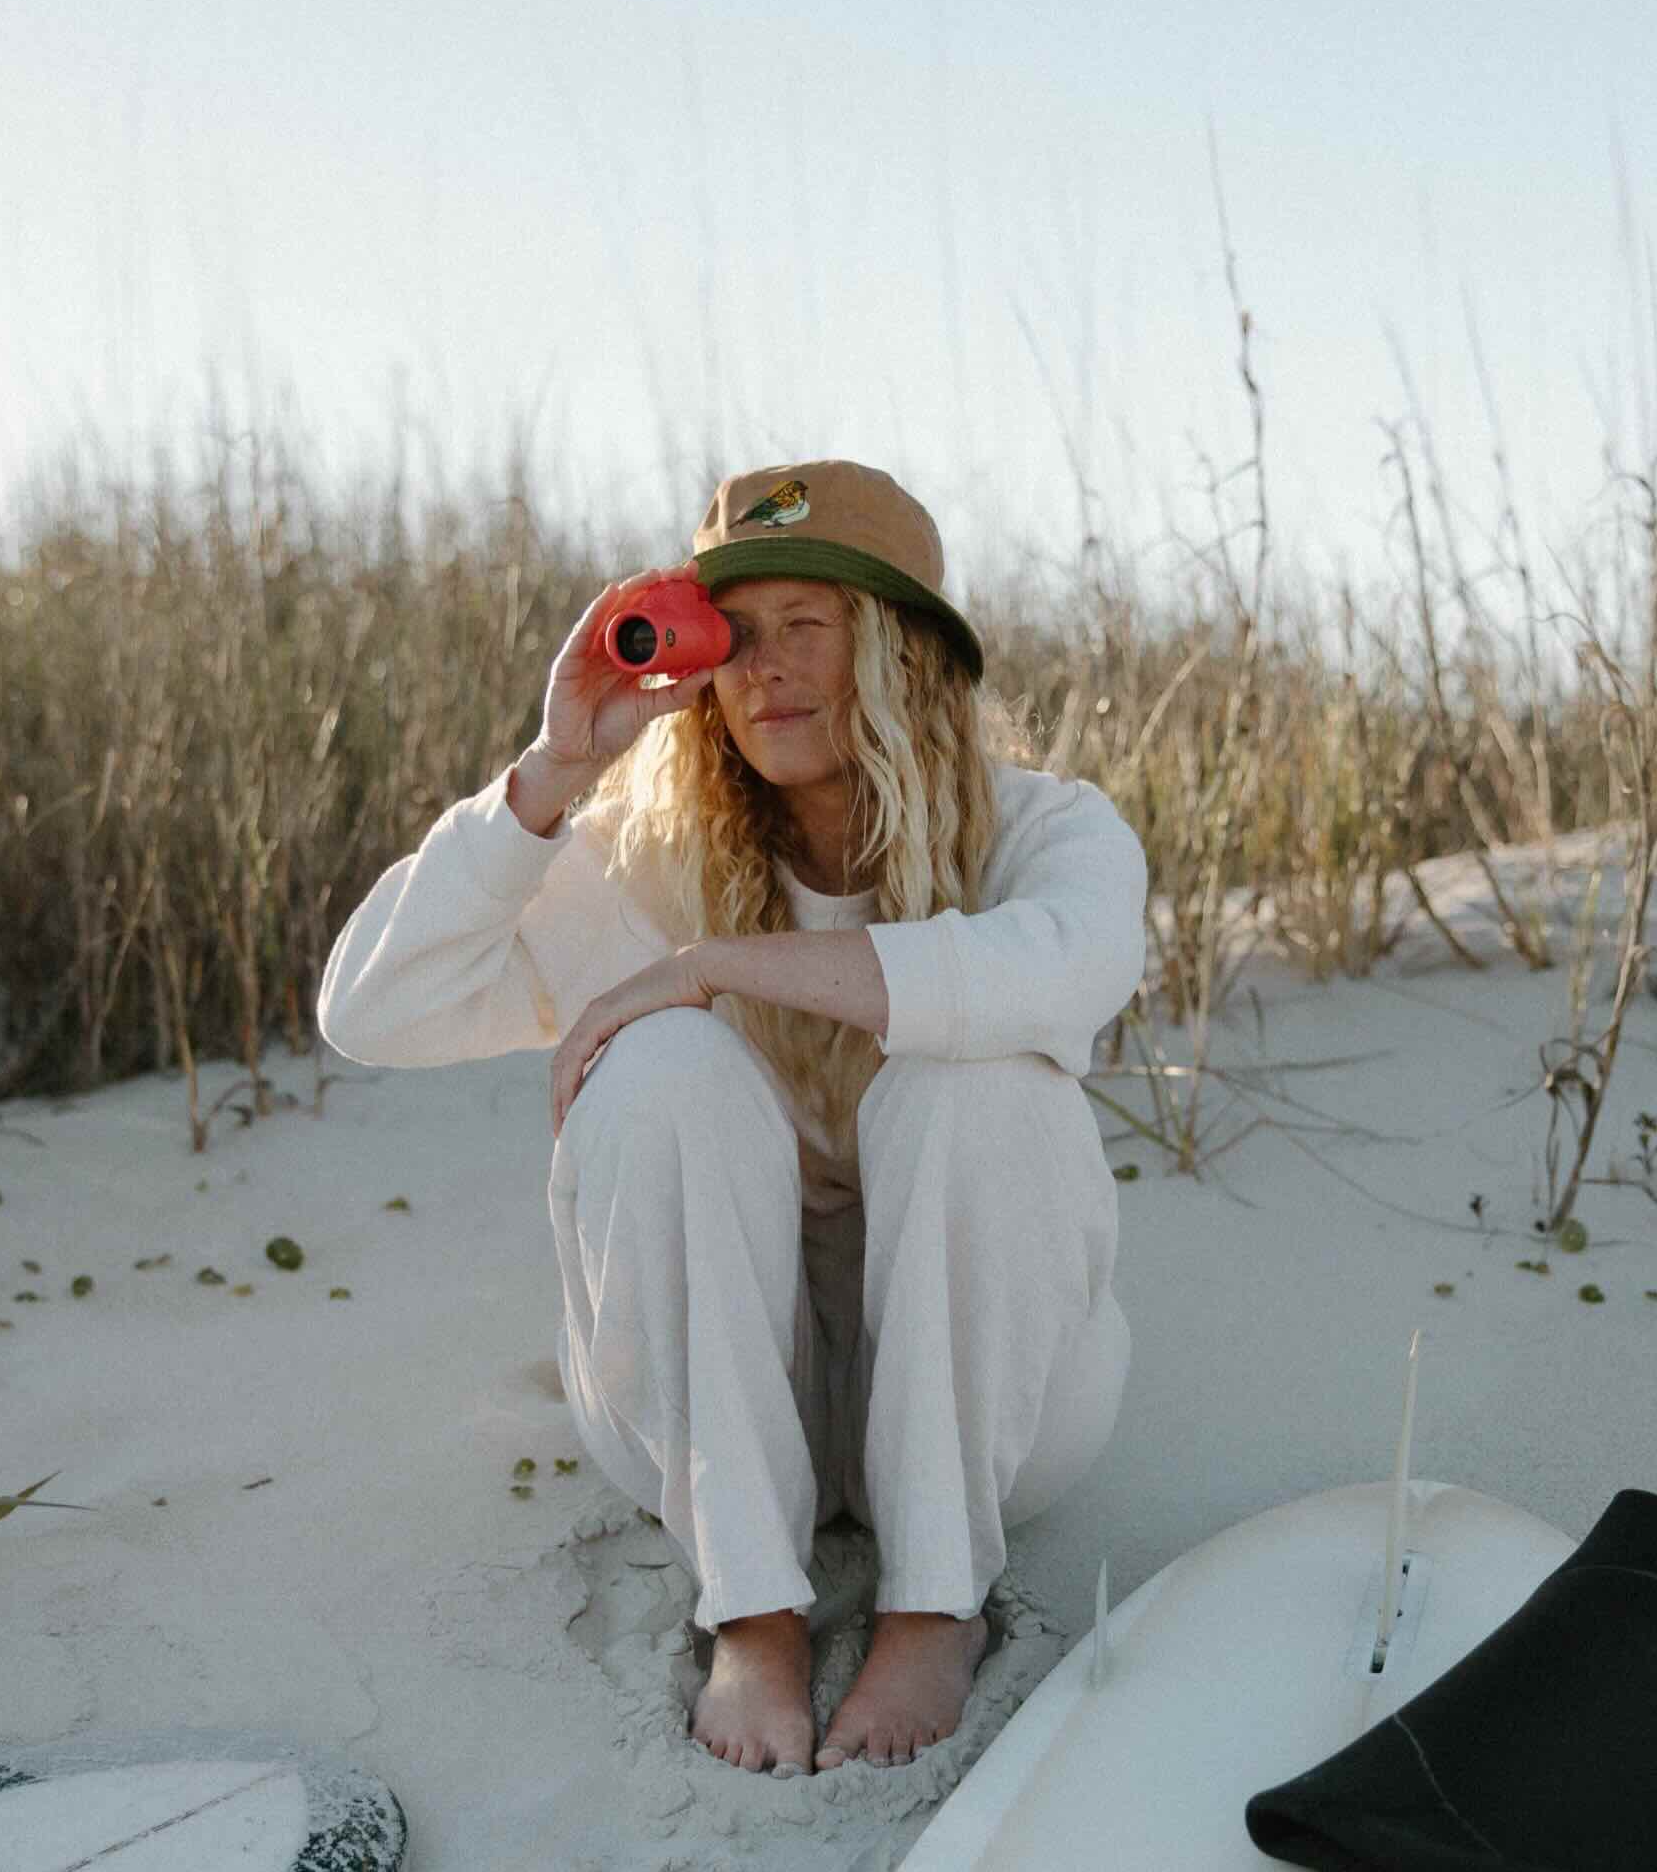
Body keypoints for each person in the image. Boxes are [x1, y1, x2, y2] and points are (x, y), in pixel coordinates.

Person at [316, 459, 1145, 1777]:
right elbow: (371, 1009)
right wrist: (554, 769)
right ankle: (751, 1611)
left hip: (992, 1412)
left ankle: (933, 1602)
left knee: (970, 1068)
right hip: (712, 1421)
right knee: (665, 1072)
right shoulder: (651, 862)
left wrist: (714, 965)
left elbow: (1064, 968)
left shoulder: (1045, 834)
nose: (764, 668)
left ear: (904, 650)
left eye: (806, 626)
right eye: (734, 635)